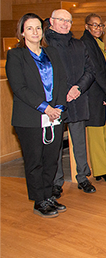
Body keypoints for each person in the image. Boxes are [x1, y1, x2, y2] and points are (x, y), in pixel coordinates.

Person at [6, 13, 68, 217]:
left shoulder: (52, 54)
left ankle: (49, 195)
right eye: (30, 28)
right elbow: (19, 88)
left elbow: (61, 82)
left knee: (51, 159)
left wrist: (57, 106)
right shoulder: (16, 56)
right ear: (22, 32)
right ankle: (39, 200)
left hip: (55, 115)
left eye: (38, 28)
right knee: (35, 161)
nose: (34, 32)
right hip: (30, 118)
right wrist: (45, 108)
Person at [45, 9, 96, 195]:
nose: (65, 24)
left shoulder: (79, 45)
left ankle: (82, 177)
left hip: (78, 98)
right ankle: (56, 182)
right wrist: (64, 91)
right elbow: (45, 74)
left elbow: (90, 70)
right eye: (61, 20)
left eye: (68, 21)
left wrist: (77, 88)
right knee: (56, 144)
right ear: (52, 21)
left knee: (80, 142)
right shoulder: (45, 44)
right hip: (55, 102)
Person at [80, 14, 106, 182]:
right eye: (94, 25)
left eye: (100, 25)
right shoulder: (86, 43)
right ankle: (100, 170)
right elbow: (95, 71)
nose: (98, 28)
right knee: (97, 134)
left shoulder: (98, 43)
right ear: (86, 26)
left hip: (104, 91)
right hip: (95, 94)